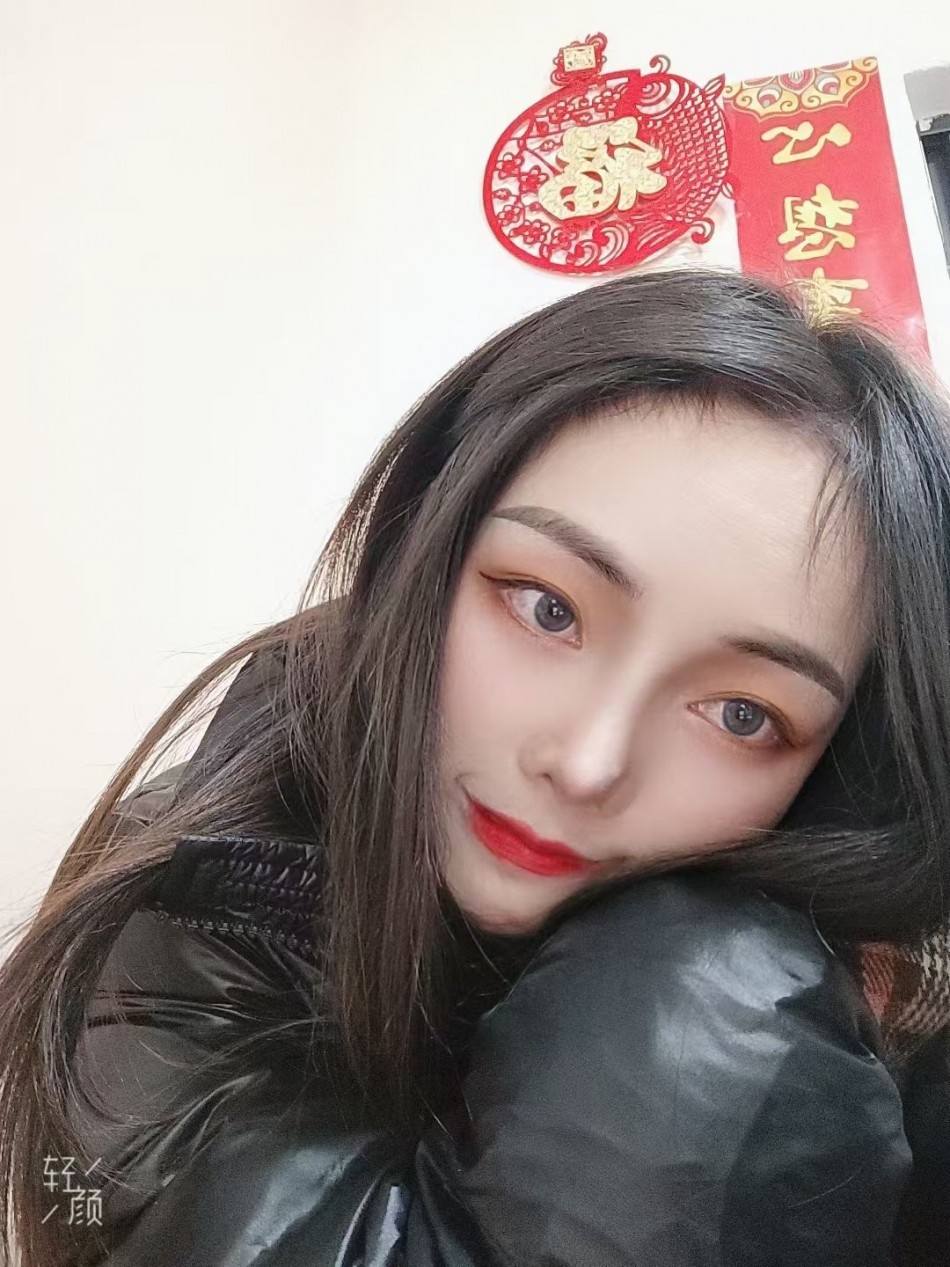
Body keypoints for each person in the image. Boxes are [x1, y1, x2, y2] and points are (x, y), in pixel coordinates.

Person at [1, 268, 949, 1267]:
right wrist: (703, 1017)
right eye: (547, 607)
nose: (586, 762)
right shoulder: (173, 923)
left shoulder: (870, 983)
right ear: (429, 545)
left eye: (741, 714)